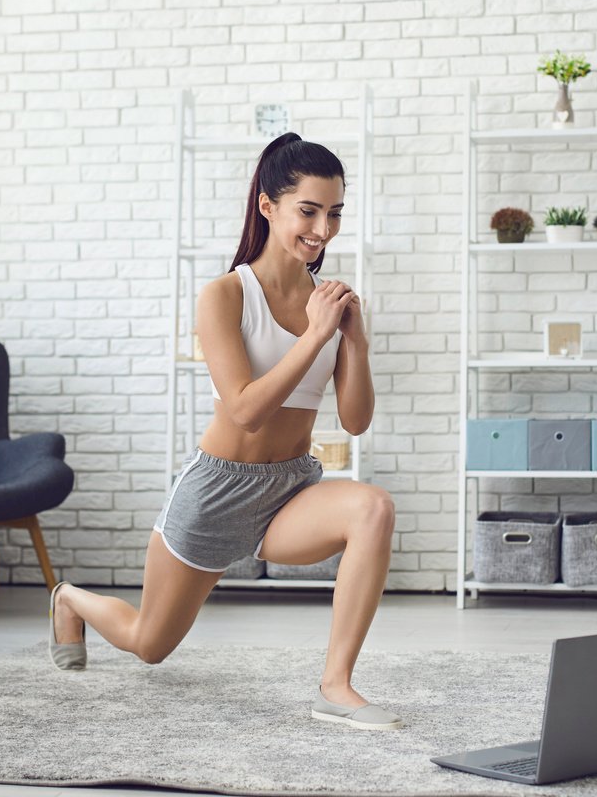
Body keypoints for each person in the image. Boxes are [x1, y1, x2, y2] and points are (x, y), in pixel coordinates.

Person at [47, 132, 401, 730]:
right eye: (307, 211)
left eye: (334, 212)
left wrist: (356, 342)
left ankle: (334, 685)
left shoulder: (329, 304)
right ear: (268, 206)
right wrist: (316, 336)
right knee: (149, 644)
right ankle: (69, 599)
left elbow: (356, 421)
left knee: (373, 508)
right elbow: (243, 411)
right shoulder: (225, 295)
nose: (323, 229)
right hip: (215, 493)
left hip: (289, 488)